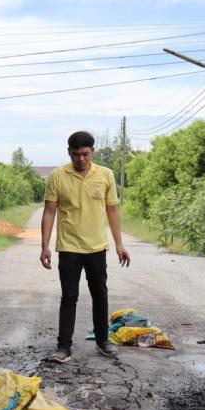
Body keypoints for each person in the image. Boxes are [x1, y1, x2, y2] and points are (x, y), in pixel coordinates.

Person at [40, 130, 131, 362]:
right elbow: (49, 211)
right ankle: (64, 347)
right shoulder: (57, 176)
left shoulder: (106, 175)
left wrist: (119, 244)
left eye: (85, 154)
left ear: (93, 152)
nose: (80, 159)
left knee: (100, 294)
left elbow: (112, 210)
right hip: (69, 248)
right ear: (69, 153)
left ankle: (103, 341)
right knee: (69, 296)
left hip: (97, 248)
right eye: (75, 154)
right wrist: (45, 246)